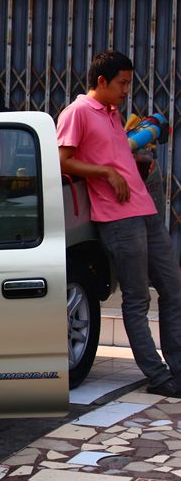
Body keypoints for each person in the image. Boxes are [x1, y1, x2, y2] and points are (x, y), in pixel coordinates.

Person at [56, 50, 181, 397]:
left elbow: (110, 152)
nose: (127, 90)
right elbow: (61, 159)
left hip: (144, 210)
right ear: (101, 81)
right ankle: (158, 376)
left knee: (173, 289)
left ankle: (178, 367)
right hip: (117, 218)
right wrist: (106, 172)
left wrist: (133, 162)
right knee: (137, 299)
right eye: (122, 83)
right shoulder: (77, 112)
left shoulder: (112, 113)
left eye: (128, 83)